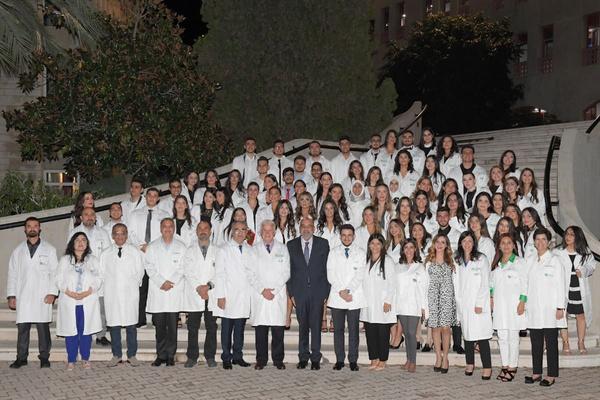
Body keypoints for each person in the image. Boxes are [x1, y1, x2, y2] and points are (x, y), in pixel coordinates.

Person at [7, 217, 59, 369]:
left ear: (39, 228)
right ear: (25, 229)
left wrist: (52, 293)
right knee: (23, 329)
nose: (32, 228)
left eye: (35, 226)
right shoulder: (18, 251)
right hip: (23, 295)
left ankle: (44, 357)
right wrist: (11, 295)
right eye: (29, 226)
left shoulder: (49, 249)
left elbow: (55, 273)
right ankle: (21, 358)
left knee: (43, 329)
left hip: (43, 295)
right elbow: (12, 274)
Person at [287, 217, 330, 370]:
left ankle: (316, 358)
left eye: (309, 226)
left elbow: (327, 269)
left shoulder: (323, 244)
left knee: (316, 327)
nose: (306, 229)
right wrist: (291, 294)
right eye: (303, 226)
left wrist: (325, 293)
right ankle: (303, 357)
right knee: (303, 327)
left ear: (314, 228)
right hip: (299, 293)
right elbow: (288, 271)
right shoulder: (291, 245)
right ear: (300, 228)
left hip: (318, 292)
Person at [525, 227, 566, 386]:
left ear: (548, 242)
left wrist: (560, 307)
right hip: (534, 307)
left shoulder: (555, 260)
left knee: (551, 342)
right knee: (536, 342)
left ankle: (551, 374)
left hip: (550, 308)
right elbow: (526, 283)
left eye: (543, 239)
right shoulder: (530, 260)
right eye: (537, 239)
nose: (540, 242)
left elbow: (561, 284)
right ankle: (536, 372)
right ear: (534, 242)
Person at [100, 223, 145, 367]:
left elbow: (140, 272)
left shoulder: (135, 252)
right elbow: (101, 274)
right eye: (117, 233)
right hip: (112, 294)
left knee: (131, 326)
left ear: (126, 235)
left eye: (123, 233)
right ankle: (116, 355)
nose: (120, 236)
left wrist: (131, 285)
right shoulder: (105, 253)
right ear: (112, 236)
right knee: (114, 326)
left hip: (129, 294)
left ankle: (132, 355)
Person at [247, 220, 291, 370]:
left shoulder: (283, 249)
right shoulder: (254, 250)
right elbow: (250, 273)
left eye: (270, 231)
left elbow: (286, 272)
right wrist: (262, 290)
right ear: (260, 233)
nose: (267, 233)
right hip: (260, 294)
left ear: (274, 232)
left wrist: (274, 290)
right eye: (264, 231)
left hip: (277, 294)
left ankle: (278, 360)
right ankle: (261, 360)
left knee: (278, 330)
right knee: (261, 331)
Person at [56, 232, 102, 370]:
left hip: (87, 301)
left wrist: (87, 292)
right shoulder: (65, 260)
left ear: (87, 244)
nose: (81, 243)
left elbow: (99, 278)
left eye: (84, 240)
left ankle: (85, 358)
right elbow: (58, 279)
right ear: (72, 243)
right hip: (69, 301)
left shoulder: (93, 260)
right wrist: (69, 293)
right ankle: (71, 359)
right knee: (71, 332)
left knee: (85, 332)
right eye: (77, 240)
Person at [145, 218, 186, 367]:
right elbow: (149, 266)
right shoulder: (152, 246)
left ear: (174, 228)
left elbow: (183, 267)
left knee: (172, 328)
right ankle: (161, 355)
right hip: (159, 290)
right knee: (160, 327)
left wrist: (171, 281)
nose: (167, 229)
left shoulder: (181, 246)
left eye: (170, 226)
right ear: (160, 228)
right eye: (165, 226)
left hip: (174, 290)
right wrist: (161, 282)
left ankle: (170, 356)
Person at [67, 206, 111, 346]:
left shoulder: (103, 233)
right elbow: (69, 254)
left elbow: (108, 254)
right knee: (83, 308)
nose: (89, 217)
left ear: (95, 217)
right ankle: (83, 334)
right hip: (80, 277)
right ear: (81, 217)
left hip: (99, 276)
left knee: (101, 308)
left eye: (92, 214)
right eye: (86, 214)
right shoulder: (74, 232)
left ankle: (101, 335)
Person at [213, 221, 253, 369]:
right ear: (231, 231)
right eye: (237, 229)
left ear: (246, 232)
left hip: (244, 295)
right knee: (227, 329)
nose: (240, 232)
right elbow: (219, 274)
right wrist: (220, 296)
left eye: (243, 229)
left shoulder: (249, 250)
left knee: (239, 329)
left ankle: (237, 356)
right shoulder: (224, 250)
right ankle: (226, 357)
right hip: (228, 295)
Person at [128, 187, 170, 327]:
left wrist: (151, 247)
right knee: (141, 288)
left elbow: (166, 232)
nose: (152, 198)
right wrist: (142, 245)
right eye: (149, 195)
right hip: (140, 254)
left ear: (158, 198)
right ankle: (140, 319)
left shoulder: (164, 214)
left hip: (157, 255)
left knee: (157, 286)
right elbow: (131, 233)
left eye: (155, 195)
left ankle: (157, 319)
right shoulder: (135, 214)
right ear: (145, 197)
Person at [326, 224, 366, 371]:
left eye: (349, 235)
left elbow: (360, 274)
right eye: (344, 235)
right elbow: (330, 274)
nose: (347, 238)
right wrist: (341, 291)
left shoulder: (360, 253)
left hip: (353, 296)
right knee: (338, 330)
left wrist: (348, 290)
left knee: (354, 330)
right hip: (338, 296)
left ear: (354, 236)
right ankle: (340, 360)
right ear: (340, 236)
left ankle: (353, 360)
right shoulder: (333, 252)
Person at [454, 231, 493, 380]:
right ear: (460, 243)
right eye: (464, 241)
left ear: (474, 243)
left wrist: (479, 303)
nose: (467, 244)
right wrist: (458, 305)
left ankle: (487, 367)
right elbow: (456, 284)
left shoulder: (481, 259)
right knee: (467, 335)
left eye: (470, 241)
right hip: (464, 304)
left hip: (478, 304)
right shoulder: (457, 260)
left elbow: (485, 282)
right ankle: (470, 363)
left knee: (482, 337)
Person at [490, 234, 529, 382]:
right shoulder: (497, 263)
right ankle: (505, 365)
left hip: (514, 306)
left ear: (514, 245)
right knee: (502, 337)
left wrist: (522, 302)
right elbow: (491, 284)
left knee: (513, 337)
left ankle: (513, 366)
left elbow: (525, 283)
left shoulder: (519, 262)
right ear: (499, 246)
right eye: (503, 243)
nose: (506, 245)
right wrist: (491, 297)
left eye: (509, 243)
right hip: (500, 306)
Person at [182, 218, 219, 368]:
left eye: (206, 228)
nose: (203, 231)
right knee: (192, 327)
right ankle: (192, 357)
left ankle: (210, 356)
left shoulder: (218, 250)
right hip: (195, 293)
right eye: (200, 229)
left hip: (211, 293)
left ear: (210, 231)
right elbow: (187, 271)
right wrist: (199, 287)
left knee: (211, 326)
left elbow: (220, 272)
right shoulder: (189, 250)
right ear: (196, 232)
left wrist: (208, 287)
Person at [555, 226, 597, 354]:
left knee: (581, 315)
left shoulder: (585, 252)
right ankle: (565, 342)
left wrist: (583, 270)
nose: (568, 237)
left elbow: (592, 266)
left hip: (579, 289)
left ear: (578, 237)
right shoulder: (558, 252)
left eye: (572, 234)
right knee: (564, 316)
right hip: (563, 289)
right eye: (567, 234)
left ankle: (581, 342)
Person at [361, 233, 396, 371]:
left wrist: (388, 301)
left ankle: (382, 360)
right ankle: (373, 358)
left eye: (378, 244)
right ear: (369, 245)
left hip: (382, 303)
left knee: (382, 333)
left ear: (382, 246)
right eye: (372, 243)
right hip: (368, 303)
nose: (375, 246)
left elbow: (392, 283)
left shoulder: (387, 261)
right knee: (370, 333)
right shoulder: (366, 260)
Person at [395, 239, 428, 373]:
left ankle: (413, 361)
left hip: (415, 304)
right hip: (401, 304)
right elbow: (395, 287)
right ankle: (408, 360)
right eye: (406, 247)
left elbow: (424, 288)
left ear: (415, 249)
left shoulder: (420, 267)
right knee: (406, 333)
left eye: (411, 247)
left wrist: (424, 307)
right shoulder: (398, 266)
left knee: (411, 333)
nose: (408, 250)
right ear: (403, 250)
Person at [425, 234, 456, 374]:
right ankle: (438, 357)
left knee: (445, 328)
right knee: (435, 328)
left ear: (446, 245)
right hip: (432, 297)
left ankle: (445, 358)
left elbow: (456, 281)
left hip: (447, 298)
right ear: (434, 243)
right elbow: (425, 283)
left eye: (443, 242)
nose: (439, 244)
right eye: (437, 242)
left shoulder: (452, 261)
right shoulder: (428, 261)